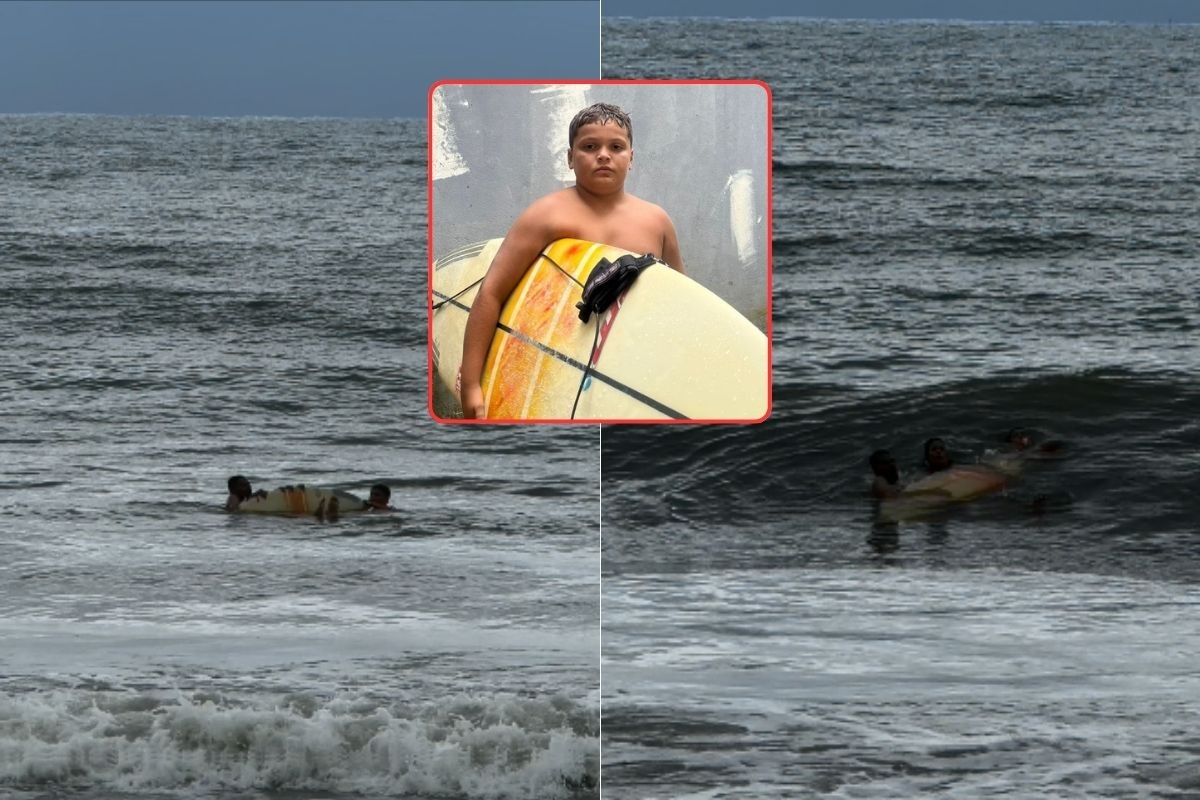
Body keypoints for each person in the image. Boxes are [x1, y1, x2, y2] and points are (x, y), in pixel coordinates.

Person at [458, 102, 684, 419]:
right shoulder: (546, 216)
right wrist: (470, 384)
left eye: (616, 147)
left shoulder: (657, 222)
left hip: (631, 366)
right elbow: (492, 292)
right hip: (557, 358)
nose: (603, 155)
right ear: (569, 158)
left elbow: (680, 302)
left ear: (631, 158)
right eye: (589, 146)